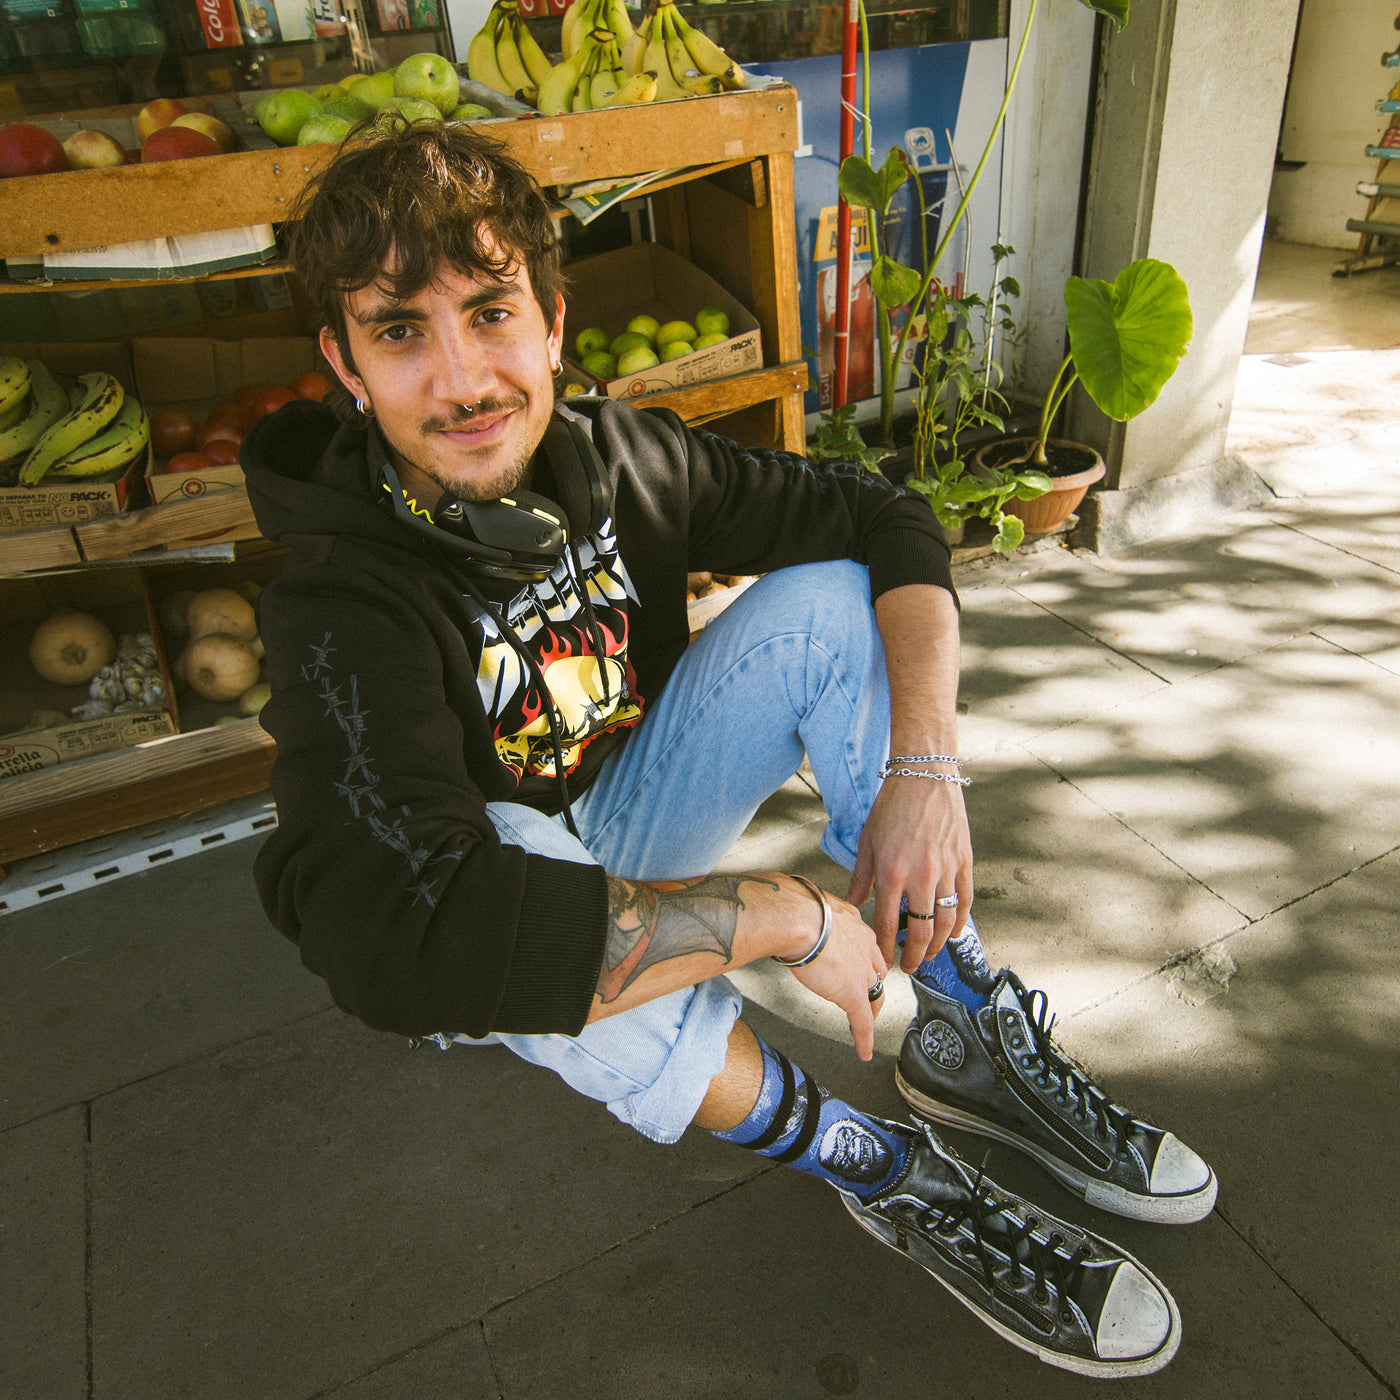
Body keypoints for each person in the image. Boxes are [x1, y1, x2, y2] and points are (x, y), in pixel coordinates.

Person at [243, 120, 1217, 1380]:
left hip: (633, 814)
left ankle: (967, 1028)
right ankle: (879, 1164)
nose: (463, 378)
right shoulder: (339, 595)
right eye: (399, 331)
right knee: (492, 860)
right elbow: (395, 931)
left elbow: (886, 514)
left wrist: (925, 772)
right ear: (345, 363)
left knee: (825, 594)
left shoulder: (620, 459)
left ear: (550, 316)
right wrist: (781, 916)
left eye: (489, 313)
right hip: (477, 932)